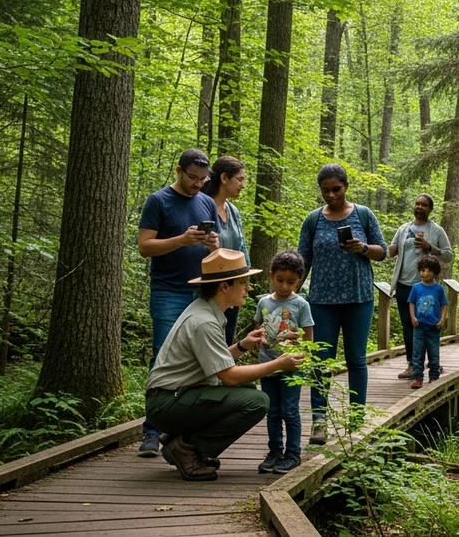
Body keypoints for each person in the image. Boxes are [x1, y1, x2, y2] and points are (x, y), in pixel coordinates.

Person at [145, 249, 303, 482]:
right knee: (257, 401)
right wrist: (278, 364)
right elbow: (228, 376)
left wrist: (242, 345)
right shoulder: (204, 322)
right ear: (224, 287)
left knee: (248, 391)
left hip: (176, 396)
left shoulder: (206, 311)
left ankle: (185, 445)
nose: (247, 288)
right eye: (243, 282)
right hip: (167, 402)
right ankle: (187, 448)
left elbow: (212, 363)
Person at [136, 148, 221, 457]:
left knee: (199, 361)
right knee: (162, 357)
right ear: (179, 171)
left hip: (200, 292)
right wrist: (181, 240)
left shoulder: (207, 202)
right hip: (168, 291)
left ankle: (182, 431)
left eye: (203, 179)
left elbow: (215, 250)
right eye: (193, 177)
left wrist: (213, 244)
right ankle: (150, 430)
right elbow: (145, 246)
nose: (198, 184)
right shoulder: (158, 201)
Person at [298, 163, 386, 444]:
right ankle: (319, 421)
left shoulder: (363, 215)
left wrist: (361, 247)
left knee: (356, 359)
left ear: (346, 186)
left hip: (358, 298)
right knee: (320, 361)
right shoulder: (313, 220)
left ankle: (356, 418)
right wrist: (287, 297)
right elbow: (303, 261)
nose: (331, 195)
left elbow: (382, 251)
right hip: (322, 300)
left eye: (336, 189)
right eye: (326, 190)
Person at [254, 251, 314, 474]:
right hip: (268, 364)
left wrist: (304, 357)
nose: (285, 286)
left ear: (299, 279)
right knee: (273, 411)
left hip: (292, 365)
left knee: (290, 410)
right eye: (280, 280)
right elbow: (258, 330)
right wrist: (264, 338)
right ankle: (275, 451)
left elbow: (308, 334)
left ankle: (293, 453)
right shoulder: (263, 302)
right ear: (272, 276)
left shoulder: (301, 304)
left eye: (291, 282)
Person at [387, 193, 454, 378]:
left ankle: (433, 363)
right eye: (417, 204)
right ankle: (412, 365)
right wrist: (380, 249)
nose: (419, 207)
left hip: (427, 287)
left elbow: (448, 255)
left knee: (428, 325)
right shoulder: (403, 229)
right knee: (409, 325)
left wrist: (429, 246)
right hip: (404, 285)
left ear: (430, 209)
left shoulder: (437, 230)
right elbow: (392, 250)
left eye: (424, 205)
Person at [202, 155, 250, 345]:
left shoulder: (233, 211)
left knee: (227, 342)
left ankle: (227, 376)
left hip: (234, 286)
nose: (243, 184)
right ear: (224, 178)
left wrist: (245, 277)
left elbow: (241, 247)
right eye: (240, 179)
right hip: (212, 289)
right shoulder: (203, 205)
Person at [408, 255, 448, 389]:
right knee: (417, 352)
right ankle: (417, 377)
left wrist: (442, 319)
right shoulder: (416, 287)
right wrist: (413, 317)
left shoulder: (439, 289)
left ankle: (434, 376)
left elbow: (444, 305)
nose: (424, 273)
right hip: (419, 325)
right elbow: (412, 303)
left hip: (433, 326)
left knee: (434, 353)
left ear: (434, 273)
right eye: (422, 270)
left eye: (428, 271)